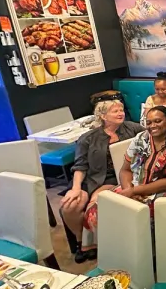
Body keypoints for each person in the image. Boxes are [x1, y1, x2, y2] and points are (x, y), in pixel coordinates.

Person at [84, 106, 166, 240]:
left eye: (157, 121)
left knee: (131, 216)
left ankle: (138, 249)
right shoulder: (141, 139)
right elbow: (125, 170)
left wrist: (135, 191)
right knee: (97, 210)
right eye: (149, 122)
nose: (152, 126)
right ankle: (109, 246)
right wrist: (129, 191)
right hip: (133, 186)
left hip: (161, 192)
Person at [60, 99, 144, 263]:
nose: (120, 113)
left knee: (95, 204)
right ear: (103, 116)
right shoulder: (88, 138)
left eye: (121, 110)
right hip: (91, 178)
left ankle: (92, 244)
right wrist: (76, 188)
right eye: (115, 111)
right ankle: (81, 241)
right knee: (70, 206)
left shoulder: (133, 128)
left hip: (115, 177)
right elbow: (80, 165)